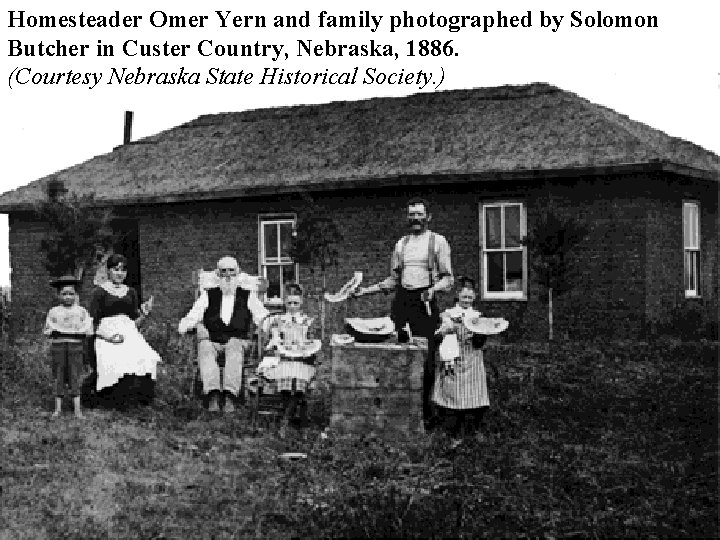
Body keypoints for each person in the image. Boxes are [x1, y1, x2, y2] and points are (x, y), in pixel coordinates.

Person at [353, 198, 454, 426]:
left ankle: (426, 413)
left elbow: (448, 279)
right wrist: (364, 291)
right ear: (407, 218)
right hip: (402, 303)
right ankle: (399, 409)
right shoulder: (401, 244)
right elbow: (393, 280)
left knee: (426, 359)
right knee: (398, 354)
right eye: (411, 215)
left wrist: (433, 289)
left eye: (419, 214)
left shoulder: (438, 242)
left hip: (425, 304)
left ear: (428, 217)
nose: (415, 219)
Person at [178, 256, 269, 413]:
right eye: (223, 271)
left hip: (239, 342)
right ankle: (213, 394)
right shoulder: (208, 295)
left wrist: (270, 329)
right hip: (213, 341)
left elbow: (263, 318)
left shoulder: (248, 296)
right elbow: (189, 319)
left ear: (238, 273)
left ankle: (230, 395)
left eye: (231, 271)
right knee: (204, 345)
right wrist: (196, 327)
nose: (227, 276)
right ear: (217, 275)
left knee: (233, 344)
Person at [90, 254, 161, 408]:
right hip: (107, 335)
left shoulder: (130, 292)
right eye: (116, 270)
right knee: (117, 361)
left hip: (129, 333)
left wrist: (144, 314)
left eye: (123, 270)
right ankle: (113, 399)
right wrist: (108, 337)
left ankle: (141, 402)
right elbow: (92, 324)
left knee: (147, 358)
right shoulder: (99, 292)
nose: (120, 274)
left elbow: (135, 322)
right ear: (108, 271)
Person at [432, 277, 489, 446]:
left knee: (474, 396)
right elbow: (437, 338)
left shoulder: (478, 317)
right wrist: (445, 330)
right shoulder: (448, 314)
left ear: (474, 298)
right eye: (464, 297)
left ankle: (472, 432)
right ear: (457, 296)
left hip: (472, 359)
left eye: (469, 298)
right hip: (454, 358)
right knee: (453, 396)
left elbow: (480, 343)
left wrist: (480, 333)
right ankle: (452, 434)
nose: (466, 301)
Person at [263, 283, 318, 432]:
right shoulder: (278, 321)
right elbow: (274, 341)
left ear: (301, 303)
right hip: (284, 360)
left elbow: (313, 343)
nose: (292, 306)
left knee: (299, 383)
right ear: (285, 303)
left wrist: (306, 347)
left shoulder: (307, 321)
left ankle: (285, 421)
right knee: (287, 383)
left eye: (296, 303)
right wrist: (277, 344)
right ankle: (298, 421)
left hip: (302, 360)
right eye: (289, 303)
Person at [43, 275, 94, 419]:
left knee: (74, 376)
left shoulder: (81, 311)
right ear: (58, 295)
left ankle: (77, 410)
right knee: (59, 375)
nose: (68, 297)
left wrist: (81, 333)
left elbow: (88, 329)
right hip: (58, 347)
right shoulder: (54, 312)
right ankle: (57, 409)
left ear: (76, 295)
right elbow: (48, 330)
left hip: (75, 347)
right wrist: (55, 331)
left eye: (71, 293)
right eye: (64, 294)